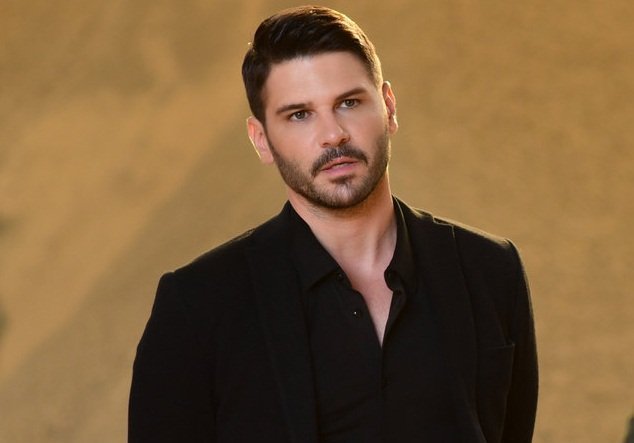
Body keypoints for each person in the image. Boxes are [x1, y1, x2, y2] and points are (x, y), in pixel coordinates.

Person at [129, 5, 538, 442]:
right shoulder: (198, 306)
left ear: (388, 107)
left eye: (348, 103)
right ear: (261, 139)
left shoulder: (490, 270)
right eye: (299, 114)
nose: (333, 134)